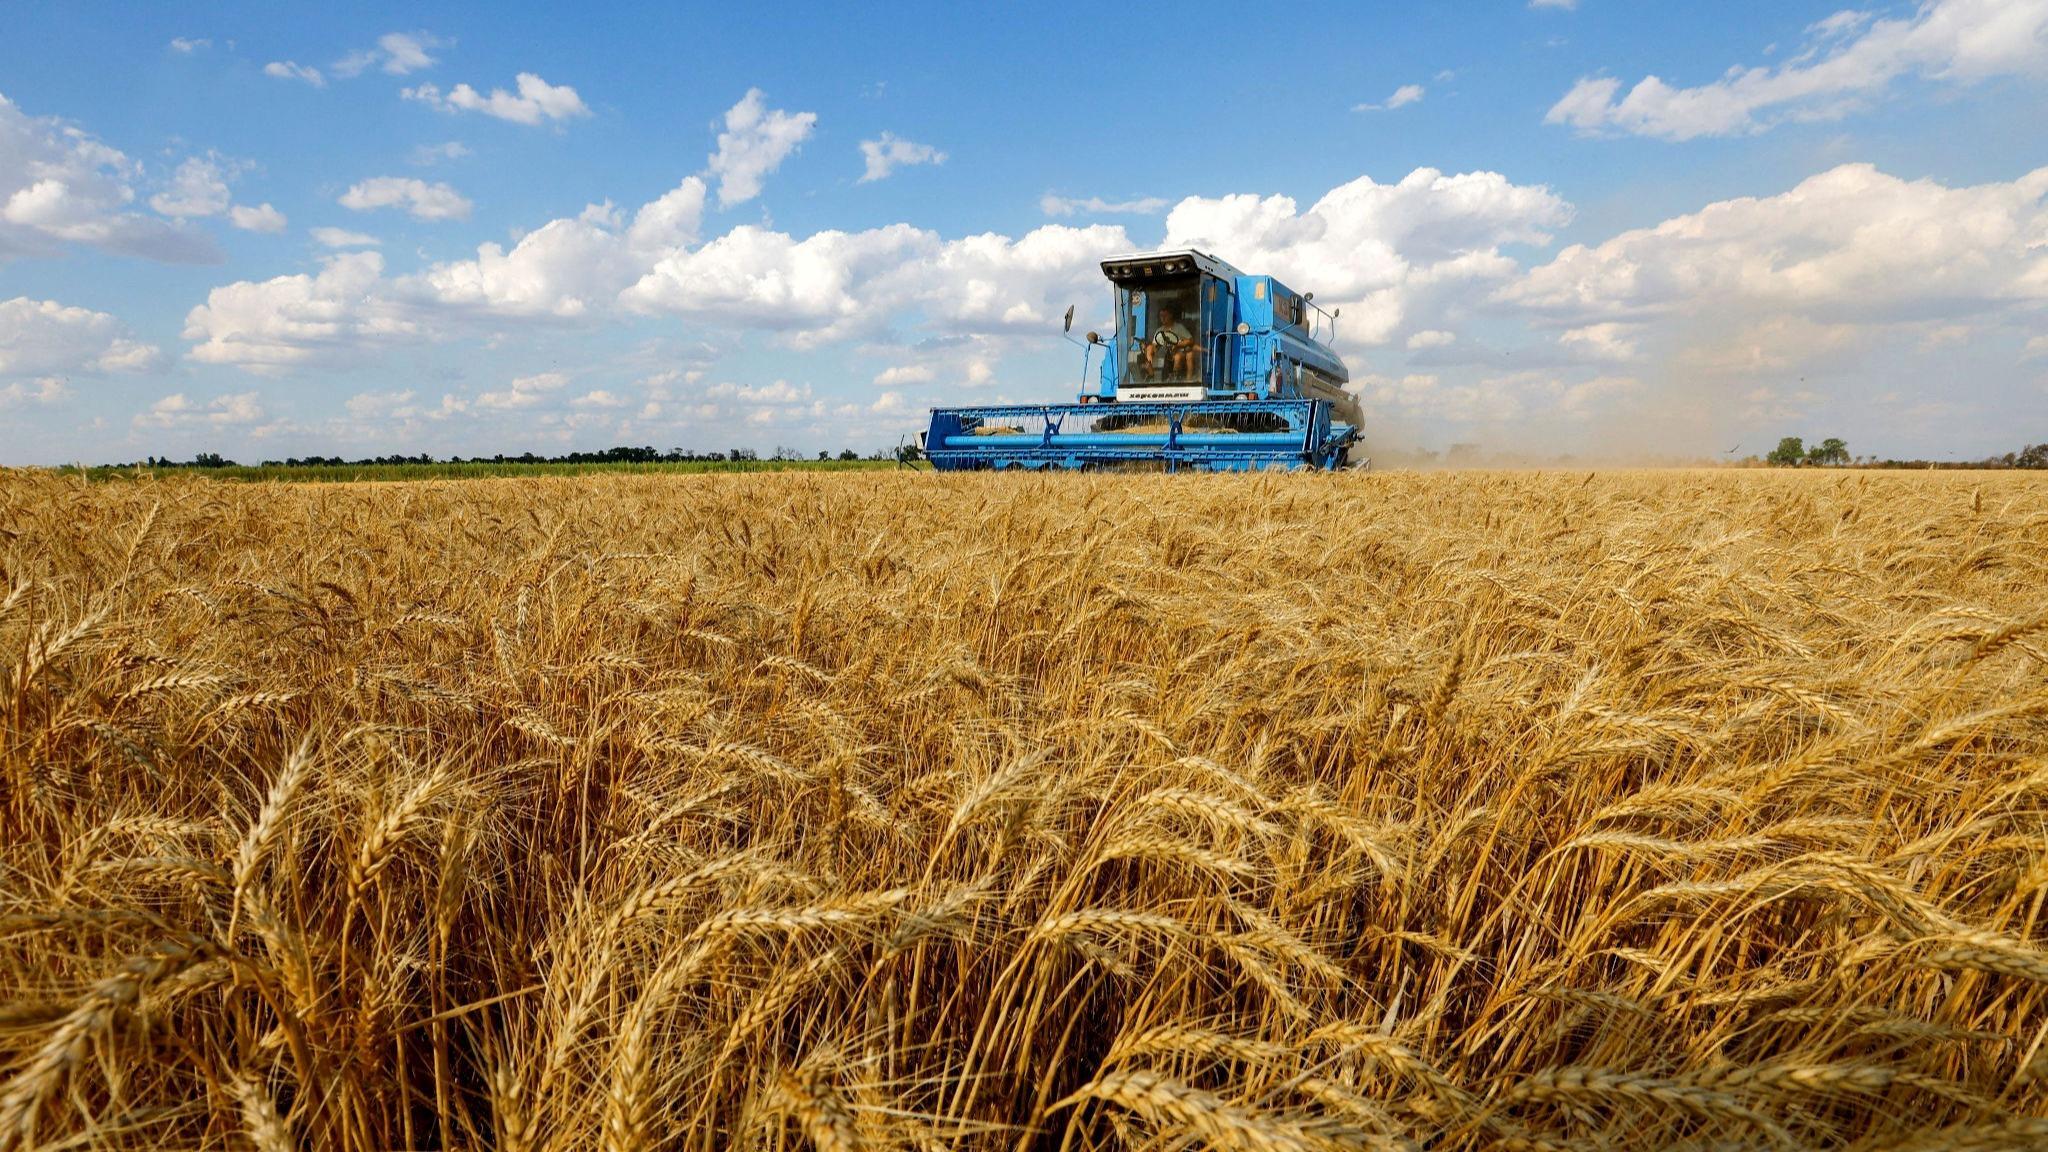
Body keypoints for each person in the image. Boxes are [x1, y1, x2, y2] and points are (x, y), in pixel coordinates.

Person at [1137, 306, 1197, 382]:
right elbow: (1154, 345)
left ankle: (1175, 378)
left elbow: (1190, 340)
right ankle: (1150, 371)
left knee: (1178, 357)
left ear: (1170, 315)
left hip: (1178, 352)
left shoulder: (1179, 327)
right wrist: (1149, 351)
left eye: (1165, 316)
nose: (1162, 318)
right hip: (1164, 353)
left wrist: (1178, 344)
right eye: (1161, 316)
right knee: (1149, 348)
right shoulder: (1159, 330)